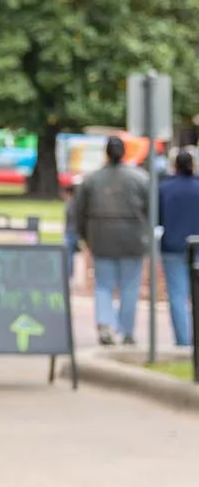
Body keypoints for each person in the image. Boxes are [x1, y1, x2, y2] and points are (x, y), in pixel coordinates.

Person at [73, 137, 151, 346]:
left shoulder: (91, 179)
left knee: (104, 285)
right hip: (132, 237)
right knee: (130, 286)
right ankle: (126, 330)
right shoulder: (140, 178)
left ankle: (105, 324)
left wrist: (85, 236)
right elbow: (152, 210)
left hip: (101, 236)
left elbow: (79, 211)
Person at [158, 151, 199, 347]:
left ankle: (183, 341)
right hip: (197, 246)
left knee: (177, 295)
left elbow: (157, 217)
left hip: (172, 246)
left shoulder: (165, 188)